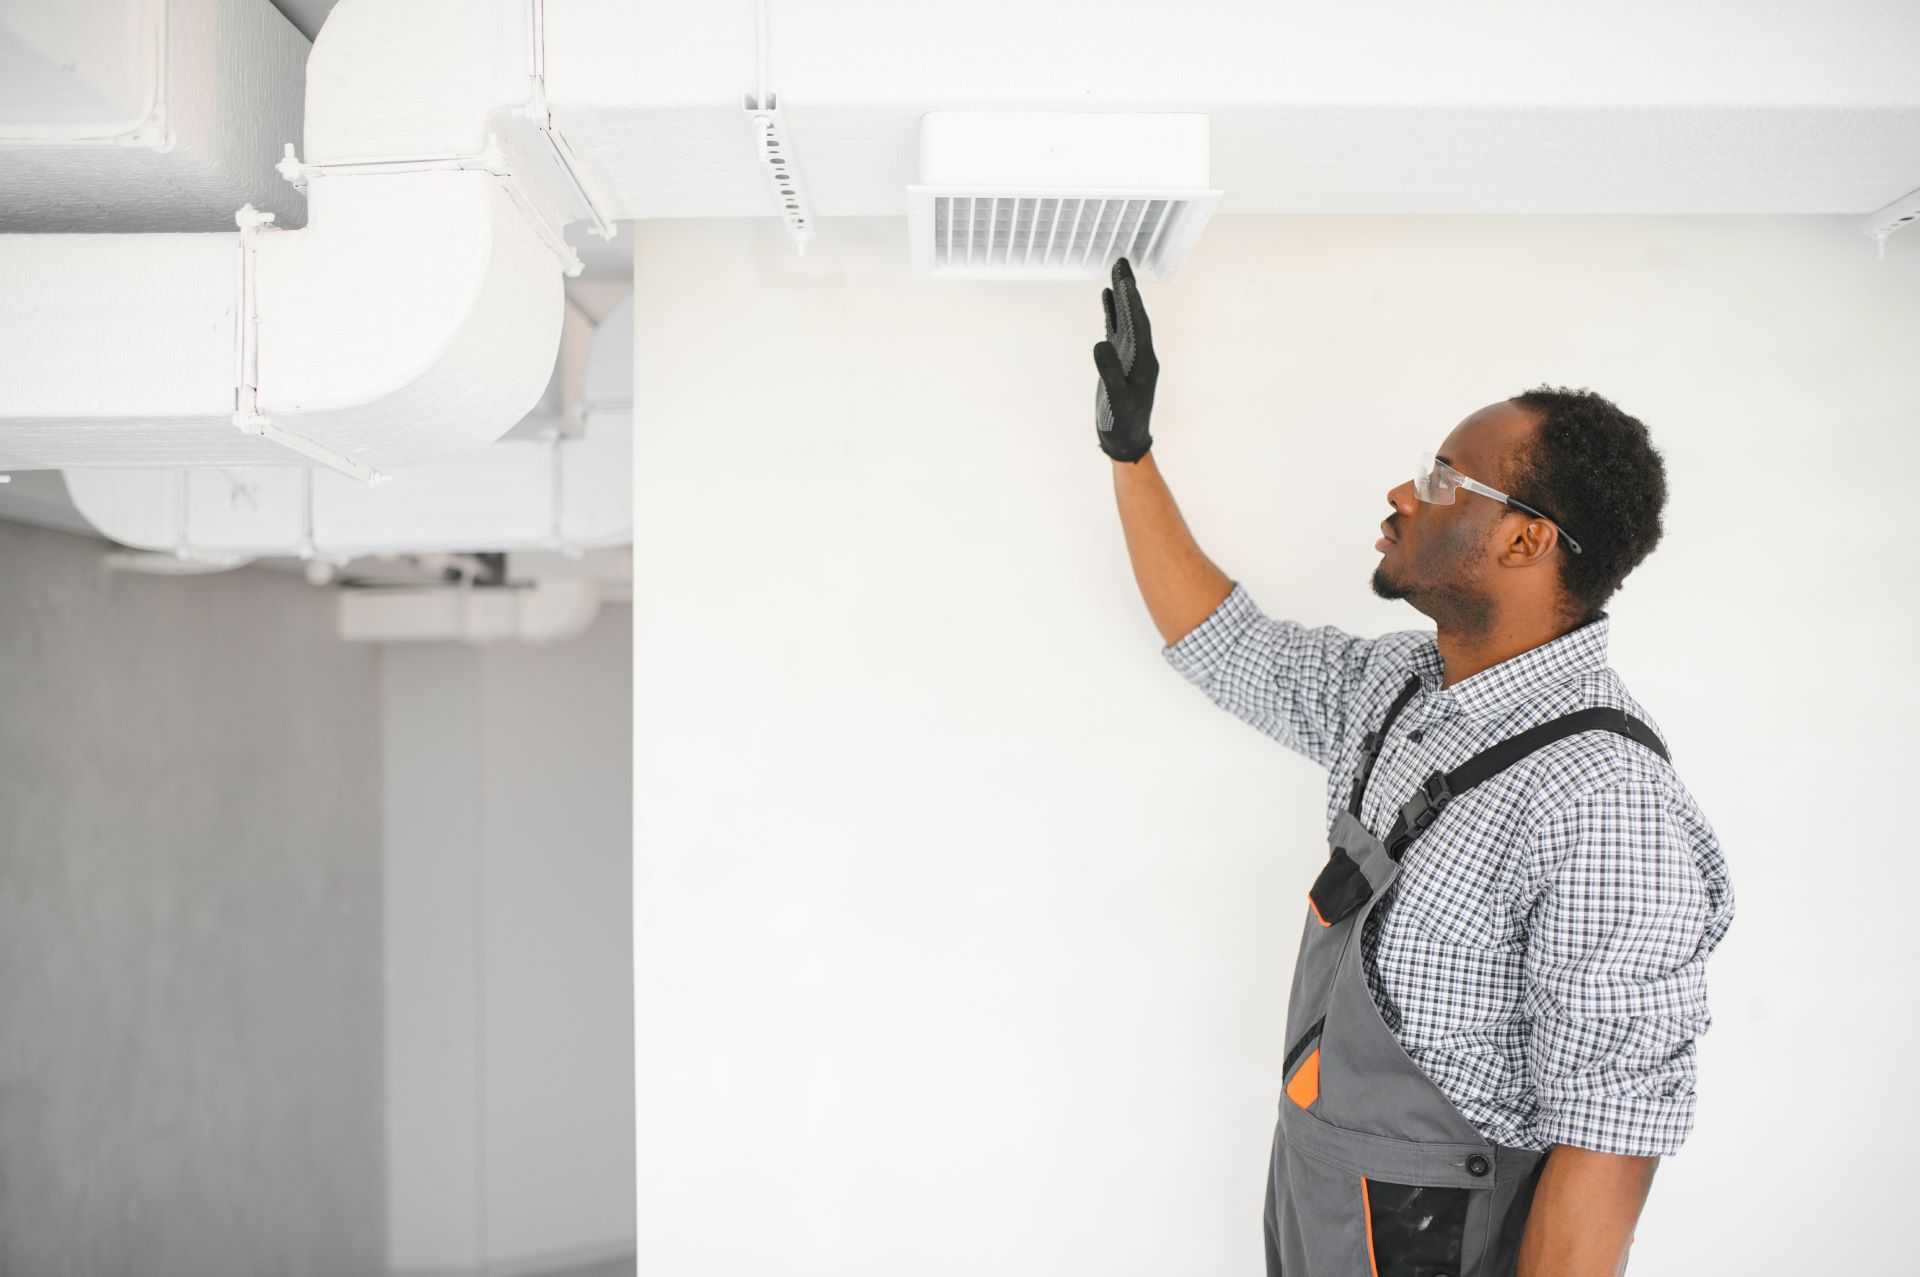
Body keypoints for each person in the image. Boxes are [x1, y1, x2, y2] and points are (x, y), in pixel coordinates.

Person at [1092, 256, 1734, 1277]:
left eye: (1443, 479)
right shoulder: (1399, 685)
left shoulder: (1603, 798)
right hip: (1319, 1190)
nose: (1402, 491)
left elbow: (1607, 1143)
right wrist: (1131, 454)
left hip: (1430, 1236)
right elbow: (1226, 643)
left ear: (1526, 540)